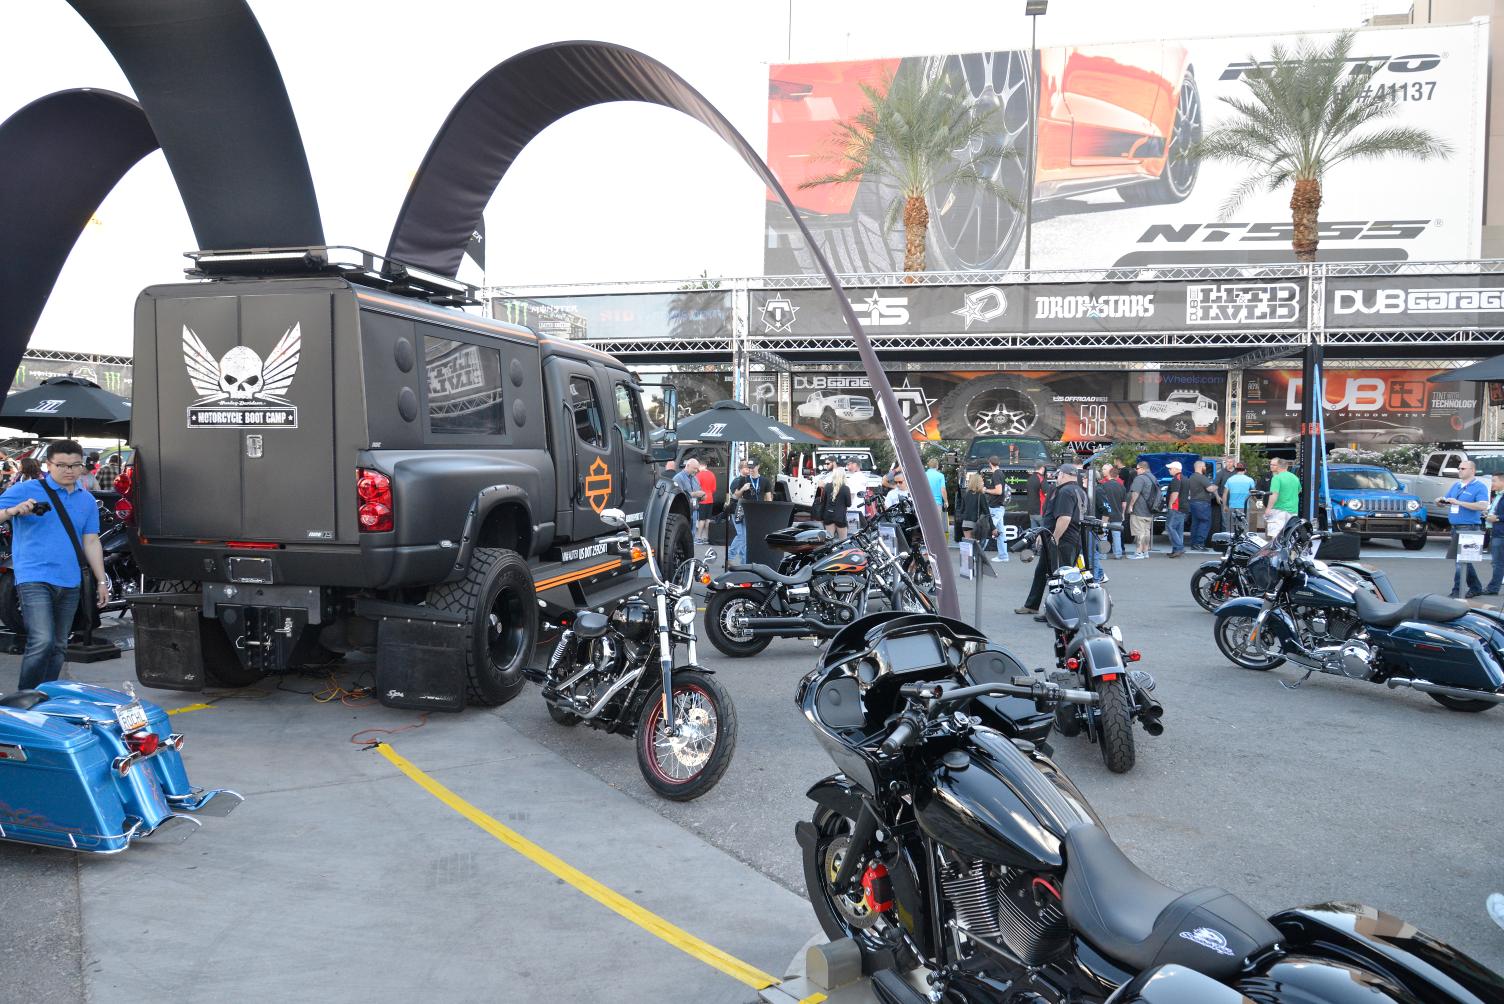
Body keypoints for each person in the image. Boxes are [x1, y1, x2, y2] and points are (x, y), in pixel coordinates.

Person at [0, 440, 109, 690]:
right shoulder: (25, 489)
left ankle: (45, 695)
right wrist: (13, 511)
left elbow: (91, 541)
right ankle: (25, 698)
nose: (69, 470)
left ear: (82, 465)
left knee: (59, 644)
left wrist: (101, 581)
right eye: (61, 465)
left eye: (75, 465)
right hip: (33, 576)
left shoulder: (86, 500)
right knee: (42, 640)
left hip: (70, 580)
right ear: (48, 465)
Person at [1017, 464, 1087, 616]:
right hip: (1062, 538)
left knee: (1059, 577)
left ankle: (1057, 612)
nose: (1057, 478)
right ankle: (1032, 605)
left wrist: (1054, 538)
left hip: (1062, 540)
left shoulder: (1066, 491)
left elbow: (1064, 518)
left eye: (1058, 475)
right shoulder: (1078, 490)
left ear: (1063, 475)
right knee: (1042, 571)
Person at [1440, 459, 1489, 599]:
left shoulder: (1479, 486)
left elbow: (1482, 506)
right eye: (1459, 468)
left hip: (1469, 528)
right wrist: (1441, 501)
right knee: (1463, 560)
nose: (1459, 471)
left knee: (1461, 561)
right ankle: (1475, 587)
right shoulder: (1456, 485)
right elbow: (1447, 499)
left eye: (1463, 469)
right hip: (1455, 527)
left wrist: (1459, 502)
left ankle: (1457, 590)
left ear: (1472, 470)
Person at [726, 458, 770, 564]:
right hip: (743, 511)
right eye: (749, 467)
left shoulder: (765, 481)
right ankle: (735, 559)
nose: (750, 470)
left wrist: (767, 512)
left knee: (749, 537)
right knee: (743, 536)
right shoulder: (743, 480)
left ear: (758, 466)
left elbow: (768, 498)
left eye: (752, 467)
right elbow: (735, 496)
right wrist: (743, 489)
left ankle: (744, 561)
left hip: (757, 513)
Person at [1126, 460, 1157, 559]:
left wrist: (1131, 505)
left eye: (1137, 468)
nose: (1136, 470)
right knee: (1146, 532)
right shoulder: (1153, 478)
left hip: (1139, 510)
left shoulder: (1140, 478)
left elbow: (1135, 493)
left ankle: (1138, 552)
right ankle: (1145, 552)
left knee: (1139, 532)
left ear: (1142, 468)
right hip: (1149, 510)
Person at [1182, 459, 1215, 552]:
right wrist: (1216, 486)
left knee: (1195, 523)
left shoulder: (1191, 477)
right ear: (1200, 467)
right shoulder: (1202, 477)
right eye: (1204, 466)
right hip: (1203, 503)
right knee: (1205, 522)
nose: (1205, 468)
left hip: (1193, 502)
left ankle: (1194, 544)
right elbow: (1210, 489)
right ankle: (1200, 544)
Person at [1264, 458, 1301, 541]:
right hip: (1293, 510)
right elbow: (1299, 490)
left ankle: (1276, 550)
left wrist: (1268, 508)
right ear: (1287, 466)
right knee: (1289, 535)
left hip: (1278, 510)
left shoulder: (1277, 478)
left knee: (1276, 537)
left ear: (1278, 466)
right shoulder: (1295, 477)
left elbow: (1274, 494)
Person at [1097, 463, 1126, 559]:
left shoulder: (1104, 486)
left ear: (1109, 474)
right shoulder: (1121, 487)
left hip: (1106, 514)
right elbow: (1124, 503)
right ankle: (1118, 554)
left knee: (1103, 535)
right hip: (1117, 514)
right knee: (1117, 535)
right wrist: (1122, 514)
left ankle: (1103, 555)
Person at [981, 456, 1009, 556]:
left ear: (990, 463)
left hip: (995, 508)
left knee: (986, 530)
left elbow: (998, 491)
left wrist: (986, 490)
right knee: (1001, 533)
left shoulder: (996, 474)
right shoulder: (1000, 473)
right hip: (998, 507)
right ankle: (1003, 556)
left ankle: (978, 554)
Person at [1483, 471, 1504, 595]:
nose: (1492, 483)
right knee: (1497, 562)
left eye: (1494, 481)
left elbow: (1499, 516)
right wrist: (1489, 514)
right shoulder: (1498, 495)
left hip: (1501, 533)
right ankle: (1493, 587)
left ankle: (1493, 588)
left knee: (1497, 563)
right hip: (1496, 532)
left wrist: (1497, 518)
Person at [673, 458, 705, 534]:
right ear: (687, 466)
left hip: (694, 510)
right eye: (694, 468)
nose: (696, 471)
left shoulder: (695, 478)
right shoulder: (678, 478)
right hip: (683, 512)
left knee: (692, 534)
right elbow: (677, 496)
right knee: (684, 534)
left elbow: (699, 491)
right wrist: (695, 494)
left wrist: (702, 497)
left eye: (697, 469)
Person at [1222, 464, 1255, 535]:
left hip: (1232, 507)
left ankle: (1231, 541)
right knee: (1244, 527)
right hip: (1244, 507)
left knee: (1231, 529)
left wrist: (1224, 506)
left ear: (1236, 470)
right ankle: (1243, 541)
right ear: (1245, 470)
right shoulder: (1250, 480)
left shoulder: (1230, 479)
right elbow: (1254, 493)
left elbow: (1225, 494)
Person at [820, 468, 851, 539]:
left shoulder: (827, 486)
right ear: (843, 476)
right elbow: (848, 504)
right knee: (843, 540)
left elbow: (823, 501)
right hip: (840, 517)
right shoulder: (846, 488)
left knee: (829, 540)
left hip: (828, 515)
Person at [957, 472, 987, 543]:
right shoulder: (980, 495)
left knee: (968, 545)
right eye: (981, 481)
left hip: (965, 523)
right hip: (976, 524)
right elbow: (986, 511)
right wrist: (992, 527)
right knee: (976, 546)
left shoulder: (965, 494)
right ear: (978, 483)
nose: (983, 483)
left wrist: (963, 518)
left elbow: (961, 510)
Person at [1164, 461, 1186, 557]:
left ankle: (1179, 548)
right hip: (1183, 507)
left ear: (1176, 469)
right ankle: (1176, 550)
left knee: (1170, 527)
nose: (1169, 470)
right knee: (1178, 529)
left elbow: (1175, 493)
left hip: (1176, 507)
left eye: (1170, 468)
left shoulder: (1176, 479)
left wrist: (1170, 504)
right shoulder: (1185, 478)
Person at [694, 461, 717, 544]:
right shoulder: (712, 474)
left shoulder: (698, 475)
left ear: (701, 466)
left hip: (702, 499)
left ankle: (699, 538)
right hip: (710, 498)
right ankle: (706, 538)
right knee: (708, 519)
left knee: (701, 519)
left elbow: (696, 488)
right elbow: (714, 489)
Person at [1024, 463, 1048, 529]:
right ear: (1042, 468)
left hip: (1031, 511)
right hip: (1040, 511)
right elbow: (1047, 494)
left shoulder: (1030, 479)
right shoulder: (1041, 478)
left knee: (1034, 532)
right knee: (1045, 532)